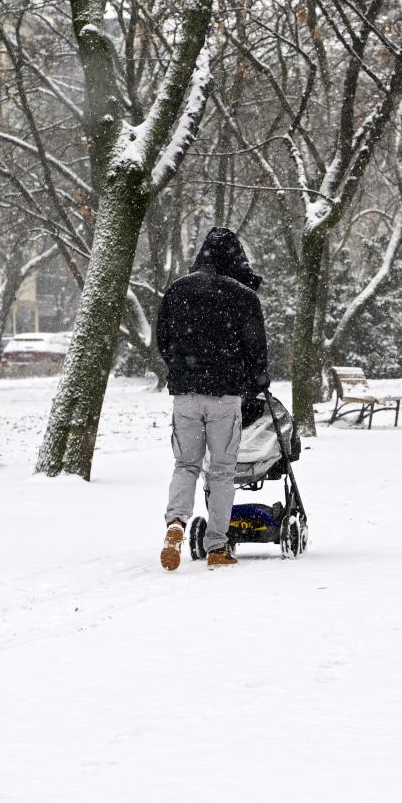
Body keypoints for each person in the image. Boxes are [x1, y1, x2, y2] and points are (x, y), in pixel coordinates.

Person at [155, 227, 270, 570]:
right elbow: (256, 350)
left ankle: (175, 524)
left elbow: (162, 340)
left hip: (186, 395)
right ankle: (218, 547)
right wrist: (255, 380)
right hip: (225, 396)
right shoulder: (243, 296)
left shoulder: (177, 290)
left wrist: (183, 368)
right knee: (221, 471)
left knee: (186, 465)